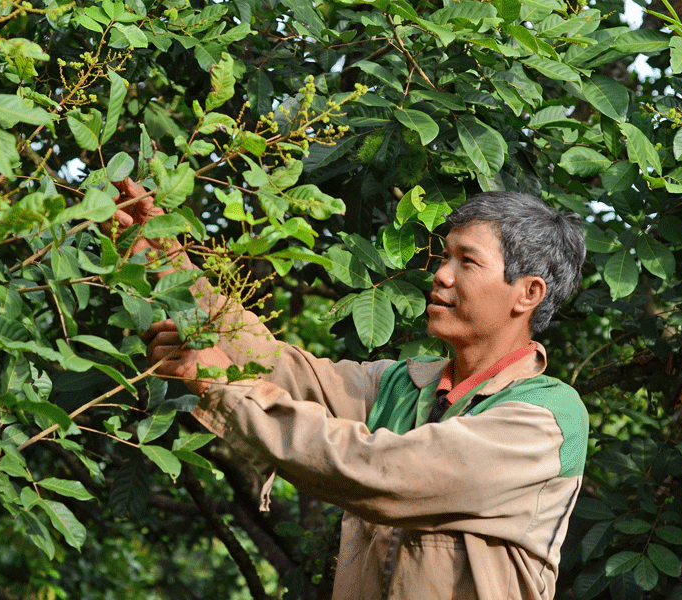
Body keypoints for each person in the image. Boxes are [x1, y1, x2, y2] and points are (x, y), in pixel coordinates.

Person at [110, 179, 588, 600]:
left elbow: (381, 470)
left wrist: (216, 385)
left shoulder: (545, 418)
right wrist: (165, 259)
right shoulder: (403, 383)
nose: (441, 274)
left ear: (527, 294)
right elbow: (281, 368)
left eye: (467, 262)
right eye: (445, 256)